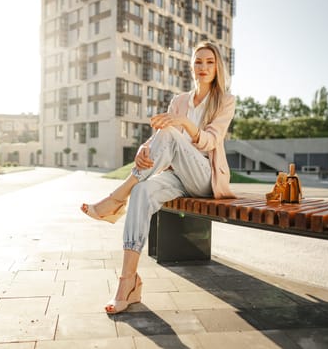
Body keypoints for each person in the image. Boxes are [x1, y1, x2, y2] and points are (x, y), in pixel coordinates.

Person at [81, 41, 236, 314]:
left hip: (203, 177)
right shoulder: (178, 101)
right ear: (191, 66)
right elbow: (159, 138)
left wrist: (183, 124)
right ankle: (127, 283)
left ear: (217, 66)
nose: (203, 67)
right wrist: (144, 149)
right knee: (142, 192)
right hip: (175, 175)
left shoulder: (225, 100)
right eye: (198, 61)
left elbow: (211, 141)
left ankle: (116, 198)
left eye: (209, 62)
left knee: (171, 135)